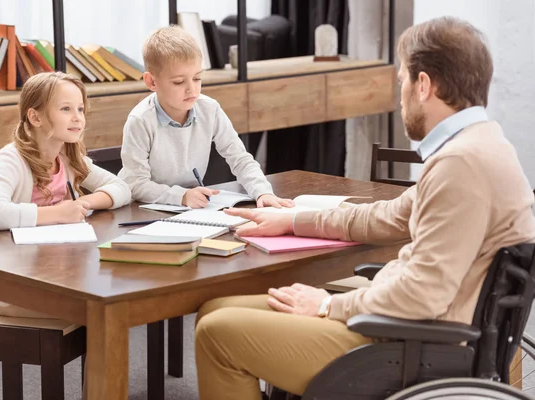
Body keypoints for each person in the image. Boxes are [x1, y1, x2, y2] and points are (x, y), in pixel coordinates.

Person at [194, 16, 535, 400]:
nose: (401, 92)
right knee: (215, 308)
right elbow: (386, 216)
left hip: (409, 342)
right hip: (408, 326)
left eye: (403, 79)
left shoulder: (462, 165)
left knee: (216, 334)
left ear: (424, 85)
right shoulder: (480, 145)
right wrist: (290, 219)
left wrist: (327, 304)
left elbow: (423, 295)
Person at [0, 71, 131, 317]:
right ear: (35, 117)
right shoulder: (10, 159)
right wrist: (58, 213)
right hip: (14, 284)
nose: (77, 118)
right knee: (106, 309)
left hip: (59, 275)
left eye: (80, 109)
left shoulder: (69, 158)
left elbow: (122, 188)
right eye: (65, 109)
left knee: (115, 293)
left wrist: (83, 202)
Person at [118, 26, 293, 209]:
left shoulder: (210, 109)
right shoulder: (140, 120)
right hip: (144, 209)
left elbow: (240, 158)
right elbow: (136, 184)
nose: (191, 89)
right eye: (179, 82)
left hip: (190, 207)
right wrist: (182, 196)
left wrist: (262, 191)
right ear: (152, 82)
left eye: (197, 79)